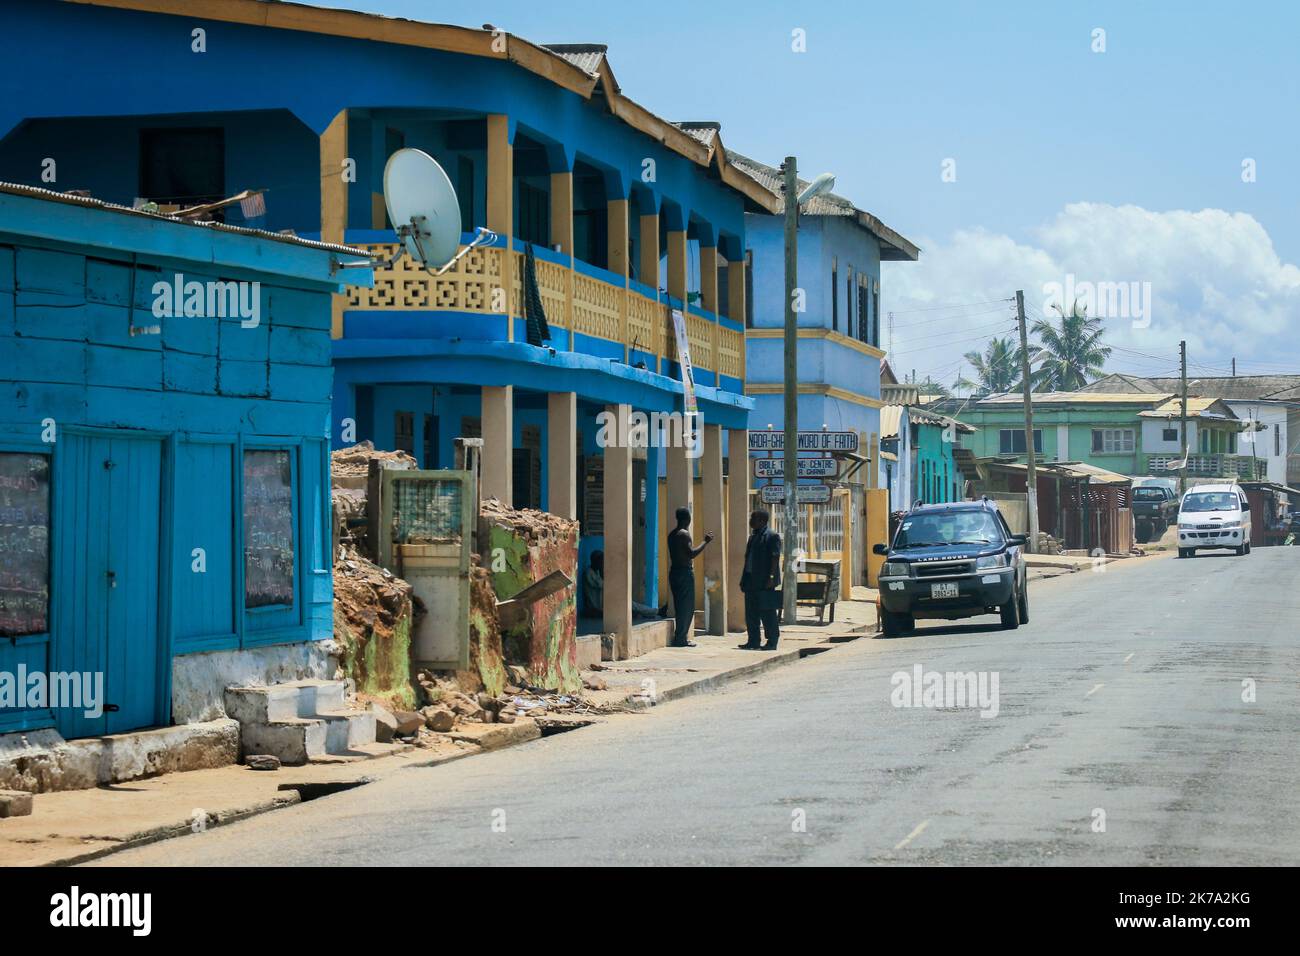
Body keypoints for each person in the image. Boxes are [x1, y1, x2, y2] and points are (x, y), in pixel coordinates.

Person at [666, 506, 713, 648]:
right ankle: (681, 638)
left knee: (681, 606)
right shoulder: (683, 534)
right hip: (684, 573)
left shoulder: (672, 534)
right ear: (688, 519)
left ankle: (681, 637)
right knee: (686, 607)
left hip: (675, 572)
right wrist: (705, 542)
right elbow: (691, 553)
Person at [739, 508, 782, 650]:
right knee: (751, 613)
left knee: (767, 612)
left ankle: (772, 641)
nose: (751, 521)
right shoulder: (753, 537)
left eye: (753, 518)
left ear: (762, 521)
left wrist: (771, 577)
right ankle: (753, 641)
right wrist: (744, 578)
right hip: (751, 580)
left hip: (765, 582)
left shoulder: (772, 536)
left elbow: (775, 557)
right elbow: (748, 560)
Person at [583, 550, 663, 619]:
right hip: (597, 605)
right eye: (601, 561)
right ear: (595, 561)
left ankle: (655, 612)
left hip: (605, 603)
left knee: (632, 606)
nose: (603, 563)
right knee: (630, 605)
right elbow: (605, 585)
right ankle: (656, 612)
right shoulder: (589, 573)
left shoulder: (596, 572)